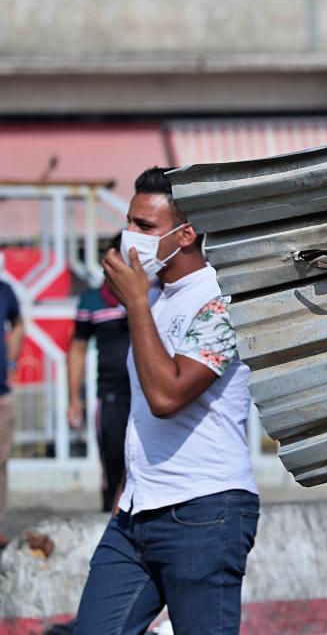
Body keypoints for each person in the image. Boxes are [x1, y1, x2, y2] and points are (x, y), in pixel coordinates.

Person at [74, 167, 259, 635]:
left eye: (145, 226)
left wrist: (135, 305)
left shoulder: (222, 300)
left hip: (204, 511)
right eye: (130, 222)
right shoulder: (154, 295)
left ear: (187, 233)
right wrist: (129, 487)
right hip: (137, 510)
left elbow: (165, 396)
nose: (130, 236)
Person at [67, 234, 132, 512]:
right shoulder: (92, 301)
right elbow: (77, 350)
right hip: (111, 397)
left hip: (151, 395)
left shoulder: (152, 296)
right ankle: (111, 522)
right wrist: (74, 399)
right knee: (114, 463)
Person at [0, 279, 24, 549]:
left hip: (1, 393)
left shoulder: (4, 290)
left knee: (0, 462)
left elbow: (18, 324)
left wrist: (12, 362)